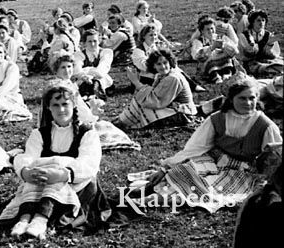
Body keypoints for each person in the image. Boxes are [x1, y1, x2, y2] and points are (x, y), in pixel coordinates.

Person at [0, 86, 110, 239]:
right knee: (39, 172)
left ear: (74, 106)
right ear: (48, 107)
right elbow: (28, 157)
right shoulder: (39, 134)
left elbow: (89, 163)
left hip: (77, 184)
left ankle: (41, 219)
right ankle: (24, 219)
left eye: (66, 104)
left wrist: (62, 174)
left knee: (53, 172)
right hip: (42, 182)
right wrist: (26, 172)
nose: (61, 110)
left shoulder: (87, 133)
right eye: (56, 105)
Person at [129, 78, 282, 213]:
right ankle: (152, 189)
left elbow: (275, 157)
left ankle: (152, 200)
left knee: (209, 190)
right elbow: (195, 147)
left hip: (242, 170)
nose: (248, 103)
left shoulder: (265, 125)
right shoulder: (217, 119)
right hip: (215, 161)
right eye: (242, 98)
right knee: (183, 169)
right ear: (231, 99)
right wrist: (165, 168)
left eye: (252, 98)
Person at [115, 49, 196, 129]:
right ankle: (122, 121)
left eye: (165, 63)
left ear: (170, 62)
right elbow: (154, 94)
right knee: (140, 103)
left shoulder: (173, 78)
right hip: (172, 108)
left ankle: (122, 123)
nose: (163, 67)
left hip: (183, 114)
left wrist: (136, 82)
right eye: (159, 64)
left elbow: (156, 101)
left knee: (142, 107)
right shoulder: (162, 75)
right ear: (154, 66)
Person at [192, 15, 239, 83]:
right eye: (207, 29)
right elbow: (197, 56)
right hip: (210, 66)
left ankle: (227, 75)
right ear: (202, 31)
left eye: (212, 28)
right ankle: (216, 77)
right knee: (211, 64)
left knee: (228, 60)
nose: (211, 31)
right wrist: (212, 48)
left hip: (223, 62)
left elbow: (235, 51)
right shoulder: (198, 41)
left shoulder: (221, 37)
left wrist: (224, 46)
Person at [237, 9, 283, 78]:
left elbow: (274, 55)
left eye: (263, 20)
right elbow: (244, 57)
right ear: (252, 22)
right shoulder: (244, 36)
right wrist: (251, 49)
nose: (261, 23)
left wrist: (270, 44)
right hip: (251, 63)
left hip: (267, 61)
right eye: (258, 20)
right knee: (269, 69)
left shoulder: (268, 35)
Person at [73, 30, 113, 101]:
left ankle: (94, 94)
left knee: (97, 81)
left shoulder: (106, 52)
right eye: (89, 41)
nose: (93, 44)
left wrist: (87, 70)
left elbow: (102, 69)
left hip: (102, 79)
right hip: (84, 80)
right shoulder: (79, 54)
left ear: (99, 41)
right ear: (85, 43)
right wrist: (84, 76)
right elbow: (77, 68)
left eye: (95, 41)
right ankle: (87, 95)